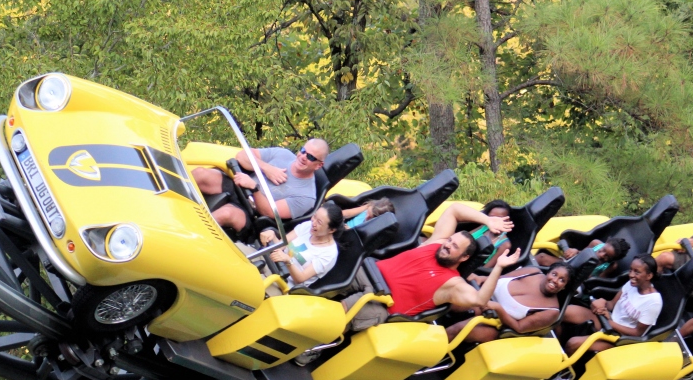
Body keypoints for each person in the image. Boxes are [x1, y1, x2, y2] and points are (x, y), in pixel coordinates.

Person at [342, 234, 523, 332]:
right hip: (368, 273)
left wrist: (499, 266)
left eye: (454, 247)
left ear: (465, 257)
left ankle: (316, 346)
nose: (447, 245)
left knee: (340, 309)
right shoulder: (436, 244)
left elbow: (480, 300)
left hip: (380, 302)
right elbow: (453, 210)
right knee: (326, 276)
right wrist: (487, 220)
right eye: (450, 240)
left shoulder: (452, 283)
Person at [191, 139, 329, 234]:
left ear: (319, 165)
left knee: (225, 214)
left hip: (251, 212)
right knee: (200, 174)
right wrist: (266, 168)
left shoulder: (307, 197)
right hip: (239, 186)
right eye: (303, 150)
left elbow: (268, 212)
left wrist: (254, 188)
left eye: (310, 157)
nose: (303, 157)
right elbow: (242, 155)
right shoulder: (284, 154)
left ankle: (190, 231)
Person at [445, 262, 575, 343]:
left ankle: (429, 350)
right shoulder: (532, 272)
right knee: (447, 299)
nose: (555, 280)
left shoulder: (551, 311)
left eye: (562, 280)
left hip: (496, 326)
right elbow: (499, 278)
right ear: (548, 273)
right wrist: (480, 278)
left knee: (458, 329)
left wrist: (498, 308)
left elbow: (519, 328)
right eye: (554, 274)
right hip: (481, 299)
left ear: (564, 287)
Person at [564, 254, 662, 354]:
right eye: (631, 270)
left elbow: (637, 333)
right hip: (607, 320)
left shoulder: (654, 302)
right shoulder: (631, 283)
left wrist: (611, 323)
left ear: (649, 276)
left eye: (637, 272)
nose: (631, 275)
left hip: (618, 338)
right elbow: (611, 305)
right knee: (564, 312)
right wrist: (602, 302)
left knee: (573, 343)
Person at [266, 202, 344, 287]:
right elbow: (281, 245)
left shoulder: (329, 254)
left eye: (319, 222)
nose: (313, 223)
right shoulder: (308, 226)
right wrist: (272, 236)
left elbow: (300, 278)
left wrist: (288, 260)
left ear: (331, 230)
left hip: (284, 283)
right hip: (273, 265)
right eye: (314, 216)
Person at [423, 200, 514, 267]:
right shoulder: (484, 227)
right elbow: (464, 237)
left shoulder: (505, 244)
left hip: (467, 266)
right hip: (454, 255)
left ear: (507, 219)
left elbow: (487, 268)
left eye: (500, 218)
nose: (496, 221)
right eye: (492, 217)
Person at [537, 236, 631, 279]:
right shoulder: (595, 243)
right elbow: (582, 252)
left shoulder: (611, 266)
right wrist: (575, 251)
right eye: (603, 250)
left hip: (579, 278)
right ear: (604, 244)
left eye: (607, 256)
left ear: (612, 259)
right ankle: (523, 265)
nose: (602, 255)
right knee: (542, 257)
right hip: (570, 263)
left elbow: (598, 280)